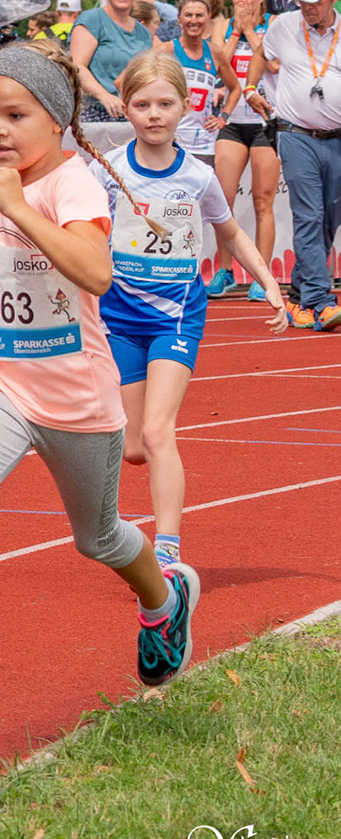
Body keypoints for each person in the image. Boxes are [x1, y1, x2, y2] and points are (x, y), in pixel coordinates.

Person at [0, 41, 199, 721]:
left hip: (76, 398)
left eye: (15, 116)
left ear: (56, 117)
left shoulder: (74, 184)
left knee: (100, 538)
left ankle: (164, 600)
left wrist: (20, 207)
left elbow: (96, 272)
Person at [97, 52, 287, 573]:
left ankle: (168, 552)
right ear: (127, 109)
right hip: (118, 319)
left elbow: (231, 233)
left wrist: (268, 281)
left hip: (175, 318)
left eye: (165, 104)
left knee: (159, 431)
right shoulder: (105, 170)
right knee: (134, 446)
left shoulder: (199, 177)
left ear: (185, 106)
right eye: (142, 105)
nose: (154, 115)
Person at [260, 0, 341, 331]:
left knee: (329, 221)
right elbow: (261, 55)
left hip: (337, 138)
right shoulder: (283, 25)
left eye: (314, 1)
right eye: (301, 2)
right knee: (309, 215)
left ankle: (299, 296)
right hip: (295, 134)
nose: (306, 8)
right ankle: (322, 301)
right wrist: (252, 89)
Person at [206, 0, 280, 300]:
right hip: (232, 122)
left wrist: (251, 31)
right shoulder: (222, 26)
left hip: (266, 120)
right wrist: (237, 31)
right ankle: (225, 270)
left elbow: (274, 65)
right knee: (223, 199)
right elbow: (217, 62)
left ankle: (262, 276)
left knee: (263, 200)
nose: (242, 0)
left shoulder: (275, 24)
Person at [69, 0, 151, 120]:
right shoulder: (92, 20)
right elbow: (77, 66)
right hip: (96, 111)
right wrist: (103, 95)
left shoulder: (144, 33)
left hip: (132, 114)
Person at [160, 0, 220, 166]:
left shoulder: (215, 52)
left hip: (204, 146)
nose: (194, 20)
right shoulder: (167, 49)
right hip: (170, 143)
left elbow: (236, 87)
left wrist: (223, 116)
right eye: (188, 15)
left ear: (208, 18)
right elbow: (125, 80)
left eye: (199, 15)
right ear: (179, 18)